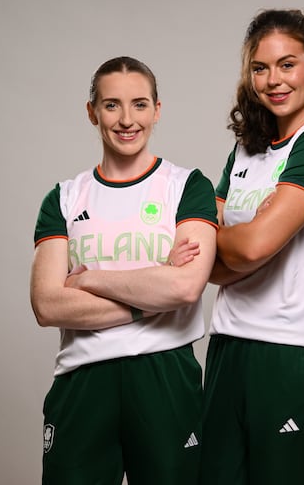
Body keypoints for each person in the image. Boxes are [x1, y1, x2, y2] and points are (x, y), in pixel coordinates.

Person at [30, 56, 218, 485]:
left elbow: (186, 288)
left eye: (139, 104)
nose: (127, 119)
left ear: (157, 109)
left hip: (165, 375)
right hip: (82, 379)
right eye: (112, 105)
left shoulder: (187, 186)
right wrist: (152, 290)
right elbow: (47, 303)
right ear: (92, 111)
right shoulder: (63, 198)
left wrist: (91, 280)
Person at [200, 8, 304, 484]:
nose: (273, 80)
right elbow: (223, 247)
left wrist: (227, 246)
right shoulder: (247, 147)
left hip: (292, 353)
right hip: (227, 346)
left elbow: (247, 247)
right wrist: (237, 243)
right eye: (260, 68)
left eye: (287, 64)